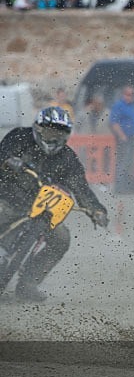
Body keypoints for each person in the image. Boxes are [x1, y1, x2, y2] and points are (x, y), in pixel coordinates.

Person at [0, 106, 108, 301]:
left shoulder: (68, 158)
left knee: (61, 238)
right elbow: (3, 154)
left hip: (40, 208)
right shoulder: (19, 137)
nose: (53, 136)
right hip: (6, 196)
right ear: (38, 129)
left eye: (59, 132)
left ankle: (28, 285)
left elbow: (81, 188)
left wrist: (96, 210)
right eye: (49, 131)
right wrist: (9, 162)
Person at [109, 86, 134, 194]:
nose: (130, 97)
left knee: (131, 164)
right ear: (123, 94)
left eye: (132, 94)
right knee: (122, 163)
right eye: (128, 94)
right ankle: (119, 188)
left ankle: (129, 188)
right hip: (124, 139)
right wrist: (122, 135)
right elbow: (114, 122)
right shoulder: (119, 106)